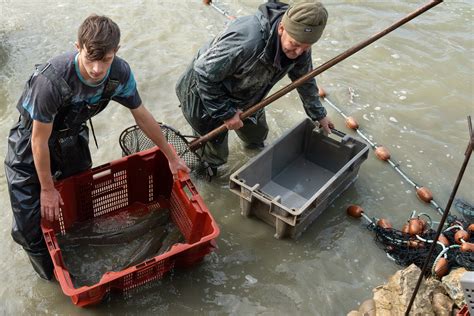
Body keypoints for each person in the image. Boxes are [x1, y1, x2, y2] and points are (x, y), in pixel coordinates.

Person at [4, 15, 190, 280]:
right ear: (77, 46)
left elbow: (142, 115)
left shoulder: (119, 74)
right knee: (28, 230)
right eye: (91, 59)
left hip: (71, 136)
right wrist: (46, 188)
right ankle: (53, 279)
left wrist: (171, 156)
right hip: (31, 142)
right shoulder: (52, 82)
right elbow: (38, 140)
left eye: (106, 60)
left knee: (81, 203)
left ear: (116, 51)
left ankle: (77, 253)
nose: (97, 69)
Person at [176, 1, 334, 172]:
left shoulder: (301, 45)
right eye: (294, 44)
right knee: (214, 158)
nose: (298, 52)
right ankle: (205, 173)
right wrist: (225, 113)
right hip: (204, 94)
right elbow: (203, 73)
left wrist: (318, 114)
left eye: (306, 48)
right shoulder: (247, 42)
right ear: (281, 28)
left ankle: (255, 159)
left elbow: (304, 79)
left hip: (246, 92)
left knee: (257, 136)